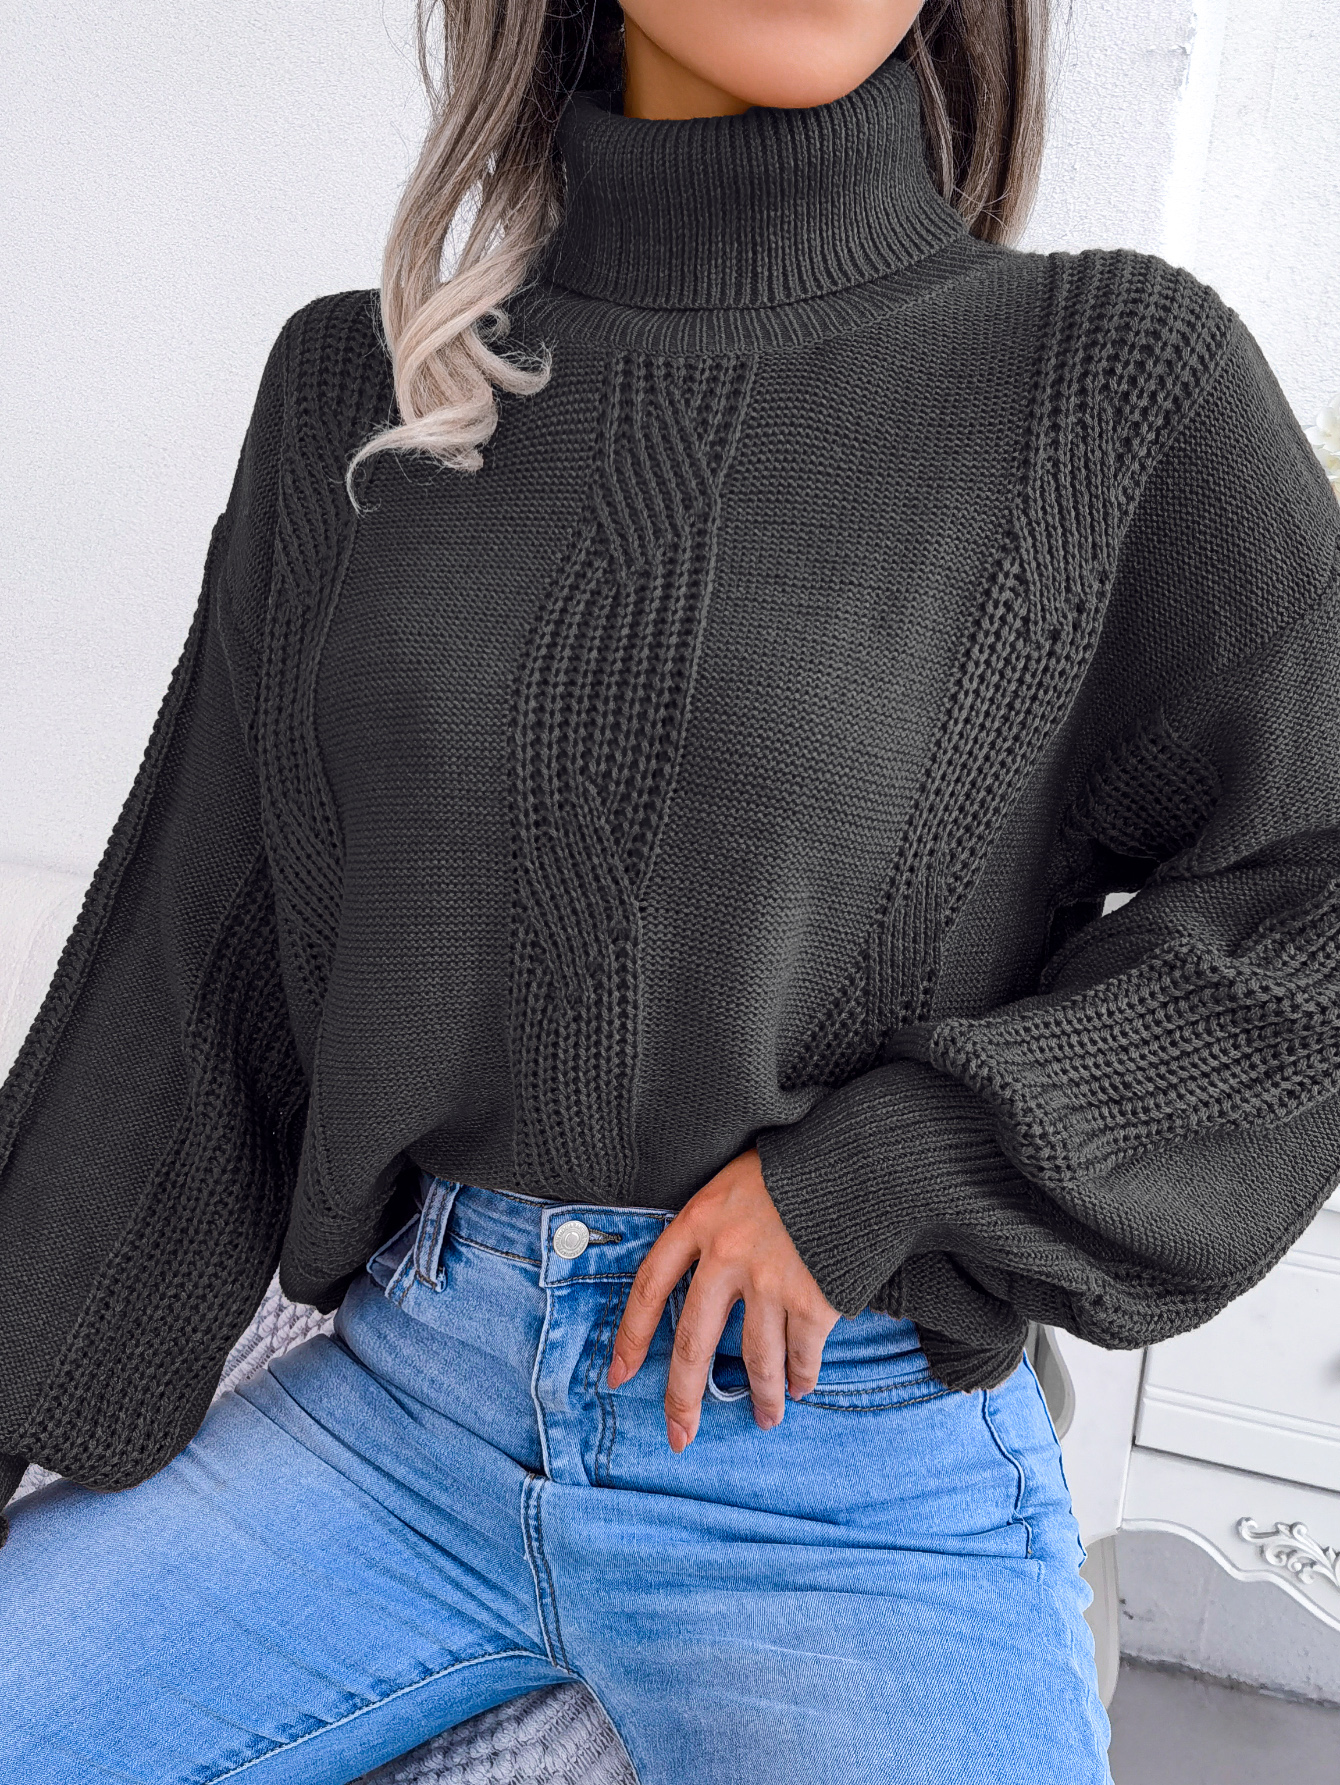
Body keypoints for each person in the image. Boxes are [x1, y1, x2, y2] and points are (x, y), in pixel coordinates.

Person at [2, 2, 1338, 1780]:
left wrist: (899, 1161)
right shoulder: (357, 390)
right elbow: (187, 983)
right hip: (402, 1411)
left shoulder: (1107, 382)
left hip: (841, 1466)